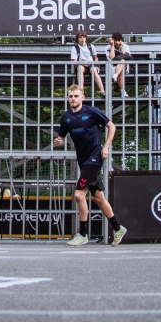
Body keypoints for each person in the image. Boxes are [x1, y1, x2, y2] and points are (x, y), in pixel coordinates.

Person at [53, 85, 127, 246]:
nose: (73, 99)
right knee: (99, 197)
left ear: (82, 97)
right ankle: (118, 228)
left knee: (79, 195)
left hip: (94, 158)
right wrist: (59, 142)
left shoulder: (92, 112)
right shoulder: (66, 117)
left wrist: (105, 147)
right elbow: (61, 138)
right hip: (83, 159)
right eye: (71, 96)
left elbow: (111, 126)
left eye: (76, 96)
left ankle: (82, 234)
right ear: (68, 98)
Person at [70, 30, 104, 96]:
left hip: (91, 64)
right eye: (80, 37)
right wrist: (81, 63)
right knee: (80, 69)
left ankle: (102, 91)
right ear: (77, 39)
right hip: (81, 65)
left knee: (94, 70)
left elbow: (95, 57)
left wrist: (95, 63)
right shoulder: (75, 48)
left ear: (86, 38)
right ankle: (81, 91)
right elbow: (75, 61)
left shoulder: (91, 46)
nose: (82, 39)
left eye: (84, 37)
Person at [108, 32, 132, 101]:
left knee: (122, 61)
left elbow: (126, 56)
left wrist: (121, 48)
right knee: (120, 71)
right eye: (116, 40)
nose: (117, 42)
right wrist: (112, 46)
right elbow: (111, 58)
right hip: (113, 67)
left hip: (124, 66)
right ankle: (123, 92)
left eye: (119, 40)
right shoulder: (108, 47)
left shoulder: (125, 46)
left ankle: (115, 76)